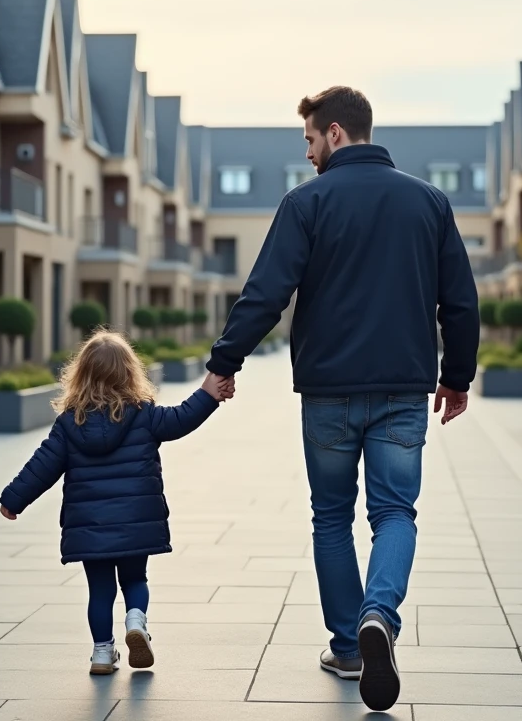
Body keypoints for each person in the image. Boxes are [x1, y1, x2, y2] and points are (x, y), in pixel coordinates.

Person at [205, 86, 480, 711]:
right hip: (403, 391)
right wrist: (457, 377)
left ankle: (349, 646)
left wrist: (224, 363)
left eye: (307, 140)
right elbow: (460, 302)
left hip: (328, 393)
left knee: (331, 516)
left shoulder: (306, 204)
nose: (306, 154)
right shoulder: (428, 202)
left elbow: (266, 293)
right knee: (394, 514)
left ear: (333, 133)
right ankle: (378, 614)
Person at [0, 330, 233, 675]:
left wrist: (13, 499)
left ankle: (102, 653)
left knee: (100, 590)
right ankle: (136, 621)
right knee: (135, 580)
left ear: (81, 374)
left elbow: (42, 465)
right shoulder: (144, 414)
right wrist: (208, 393)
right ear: (129, 372)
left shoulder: (69, 423)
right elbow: (182, 418)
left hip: (90, 527)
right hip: (137, 519)